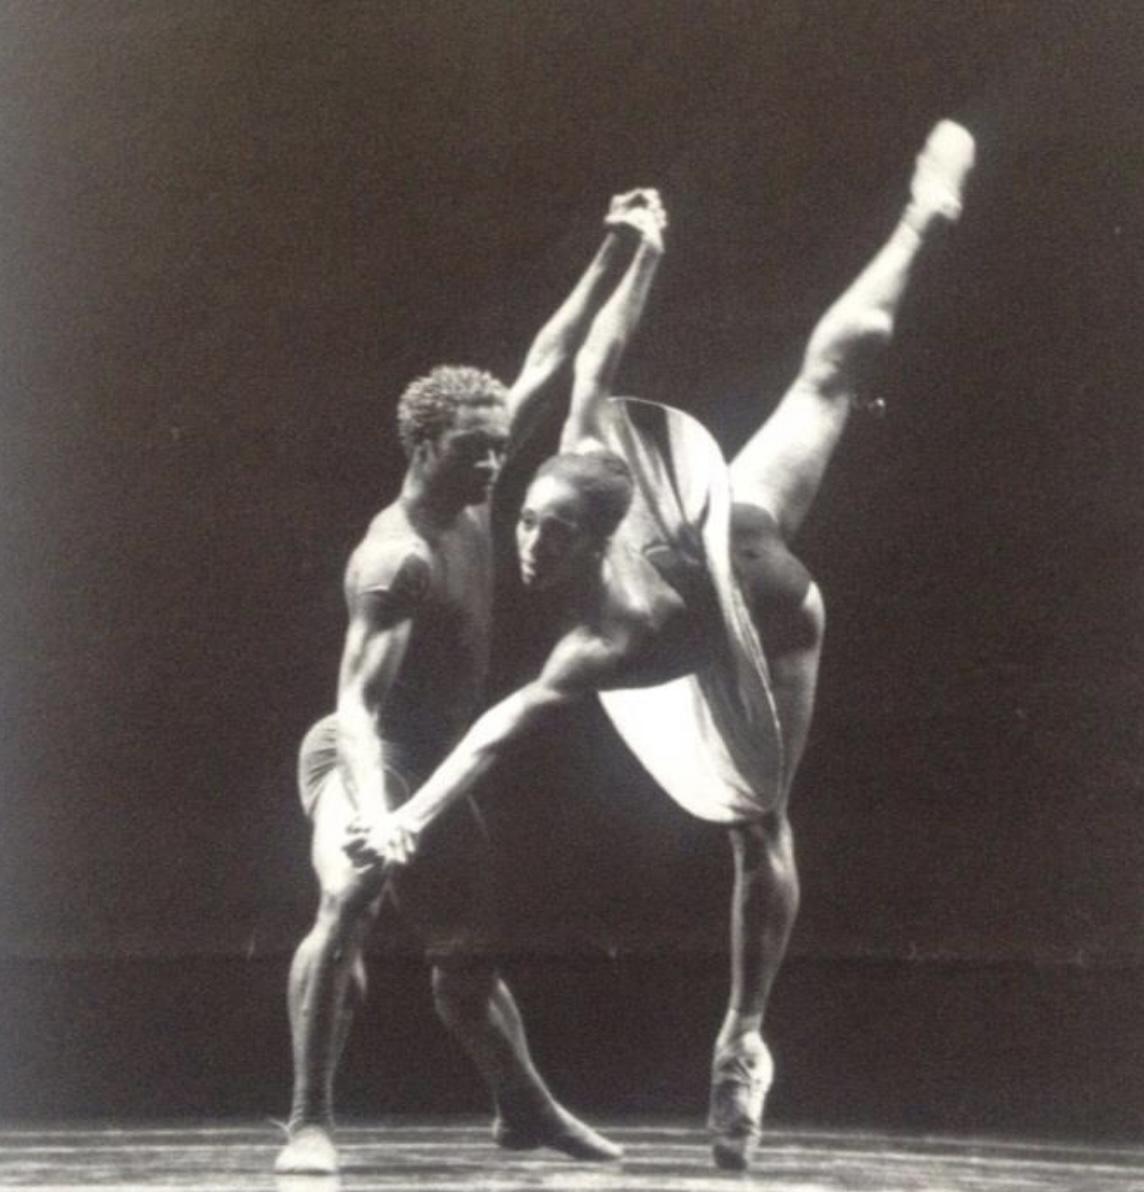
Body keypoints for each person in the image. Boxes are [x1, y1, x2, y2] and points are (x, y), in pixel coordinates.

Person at [346, 121, 976, 1170]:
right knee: (819, 381)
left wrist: (406, 813)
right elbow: (592, 354)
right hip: (707, 560)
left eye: (553, 532)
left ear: (599, 534)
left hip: (765, 604)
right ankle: (918, 222)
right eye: (527, 520)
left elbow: (501, 727)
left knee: (757, 819)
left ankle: (740, 1037)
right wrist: (643, 248)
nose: (529, 541)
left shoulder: (613, 621)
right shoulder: (586, 475)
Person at [276, 190, 669, 1175]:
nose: (500, 459)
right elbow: (357, 708)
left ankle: (524, 1110)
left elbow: (550, 353)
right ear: (424, 448)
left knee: (466, 961)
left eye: (501, 444)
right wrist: (375, 811)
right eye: (478, 448)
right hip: (362, 757)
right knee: (349, 898)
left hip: (440, 765)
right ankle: (308, 1121)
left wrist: (618, 247)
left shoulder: (477, 484)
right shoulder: (397, 554)